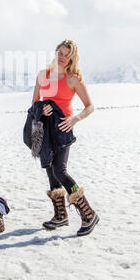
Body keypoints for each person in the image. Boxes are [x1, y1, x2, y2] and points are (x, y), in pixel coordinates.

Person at [31, 39, 99, 236]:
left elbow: (90, 106)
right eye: (59, 53)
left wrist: (74, 119)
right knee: (50, 171)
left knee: (60, 170)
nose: (61, 57)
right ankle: (61, 215)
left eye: (66, 55)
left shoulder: (73, 78)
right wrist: (40, 108)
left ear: (72, 58)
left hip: (62, 128)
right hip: (45, 128)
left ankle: (89, 214)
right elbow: (34, 101)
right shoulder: (43, 75)